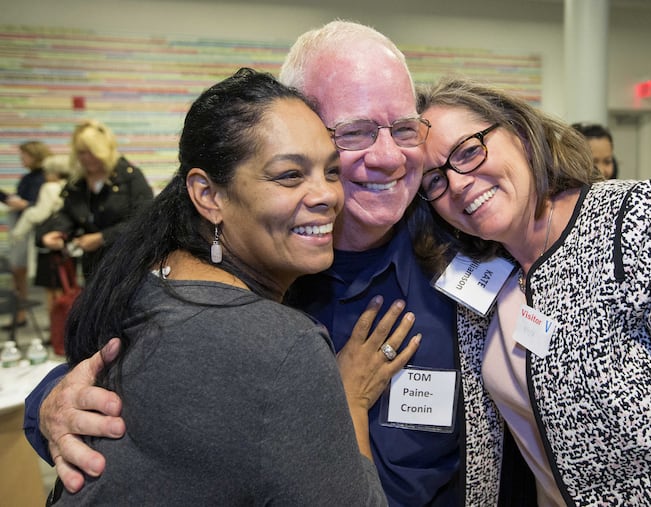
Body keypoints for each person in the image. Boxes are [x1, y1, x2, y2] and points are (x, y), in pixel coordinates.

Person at [25, 21, 533, 507]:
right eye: (354, 132)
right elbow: (137, 358)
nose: (387, 158)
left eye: (403, 129)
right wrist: (51, 404)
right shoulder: (237, 272)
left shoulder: (464, 242)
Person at [46, 67, 422, 505]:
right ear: (208, 195)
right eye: (289, 176)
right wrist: (351, 398)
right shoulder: (283, 344)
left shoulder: (145, 279)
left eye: (332, 171)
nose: (327, 195)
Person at [412, 77, 651, 505]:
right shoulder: (486, 269)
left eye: (468, 151)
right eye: (434, 181)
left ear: (521, 133)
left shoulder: (642, 221)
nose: (458, 183)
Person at [39, 119, 154, 280]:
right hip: (93, 267)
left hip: (127, 264)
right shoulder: (78, 184)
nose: (86, 158)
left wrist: (103, 238)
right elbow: (68, 213)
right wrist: (57, 231)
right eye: (81, 152)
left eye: (91, 151)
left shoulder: (130, 177)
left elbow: (146, 219)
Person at [10, 154, 72, 318]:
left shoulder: (49, 188)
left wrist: (19, 229)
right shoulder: (72, 186)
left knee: (51, 290)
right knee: (66, 287)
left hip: (48, 246)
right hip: (66, 243)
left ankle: (55, 327)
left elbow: (39, 214)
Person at [1, 140, 50, 329]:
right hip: (21, 229)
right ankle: (19, 313)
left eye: (24, 155)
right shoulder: (28, 178)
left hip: (32, 232)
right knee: (17, 272)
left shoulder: (42, 179)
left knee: (26, 272)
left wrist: (19, 203)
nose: (21, 158)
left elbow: (37, 206)